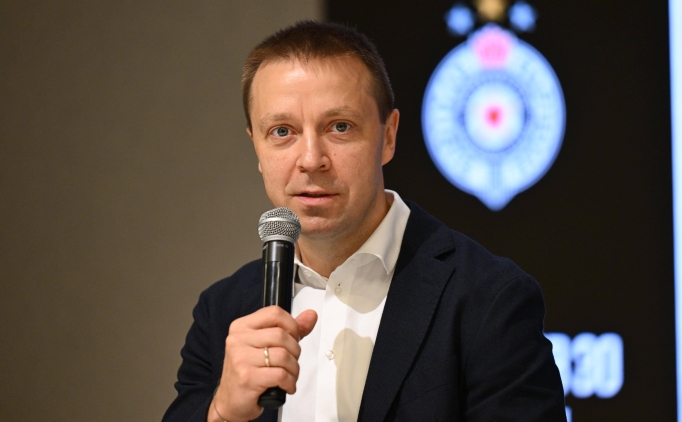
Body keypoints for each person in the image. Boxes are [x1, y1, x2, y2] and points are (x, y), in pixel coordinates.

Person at [162, 20, 566, 422]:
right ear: (257, 146)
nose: (311, 159)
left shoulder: (489, 299)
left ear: (388, 136)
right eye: (282, 131)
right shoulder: (222, 311)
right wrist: (220, 413)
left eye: (340, 127)